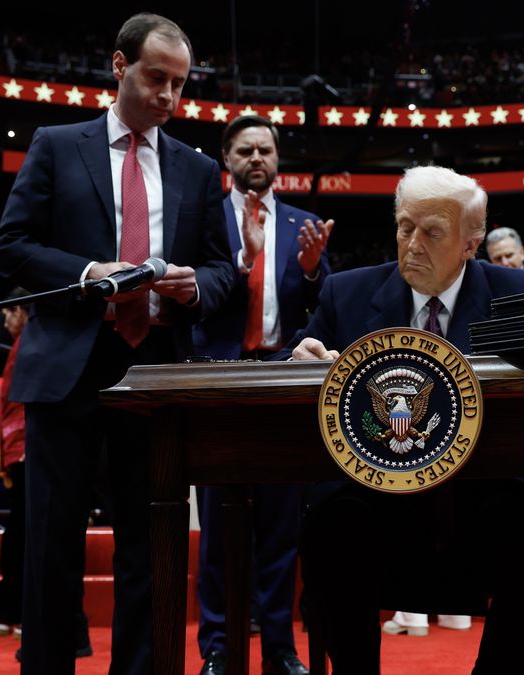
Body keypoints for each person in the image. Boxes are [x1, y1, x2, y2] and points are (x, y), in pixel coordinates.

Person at [0, 13, 235, 673]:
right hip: (68, 358)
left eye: (179, 85)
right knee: (51, 545)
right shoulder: (55, 143)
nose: (167, 97)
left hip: (153, 368)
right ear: (119, 65)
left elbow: (222, 269)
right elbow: (10, 247)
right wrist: (84, 273)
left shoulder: (196, 165)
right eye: (156, 78)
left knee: (148, 546)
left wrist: (193, 286)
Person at [287, 166, 524, 675]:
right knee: (329, 526)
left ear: (470, 243)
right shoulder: (344, 294)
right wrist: (299, 357)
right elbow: (296, 357)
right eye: (405, 226)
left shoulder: (522, 293)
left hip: (492, 496)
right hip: (376, 502)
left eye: (432, 232)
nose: (412, 244)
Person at [192, 114, 331, 675]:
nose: (256, 158)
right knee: (218, 522)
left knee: (281, 524)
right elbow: (192, 295)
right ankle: (219, 648)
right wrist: (241, 260)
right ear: (226, 157)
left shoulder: (302, 223)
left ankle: (280, 649)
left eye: (265, 149)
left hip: (284, 374)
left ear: (277, 159)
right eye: (245, 149)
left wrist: (315, 271)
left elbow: (326, 305)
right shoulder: (202, 220)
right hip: (218, 375)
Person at [0, 290, 92, 658]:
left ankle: (20, 613)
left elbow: (21, 407)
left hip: (31, 449)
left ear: (22, 310)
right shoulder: (27, 343)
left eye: (8, 313)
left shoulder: (35, 342)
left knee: (34, 537)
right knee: (34, 536)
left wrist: (11, 451)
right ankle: (28, 616)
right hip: (25, 448)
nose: (4, 321)